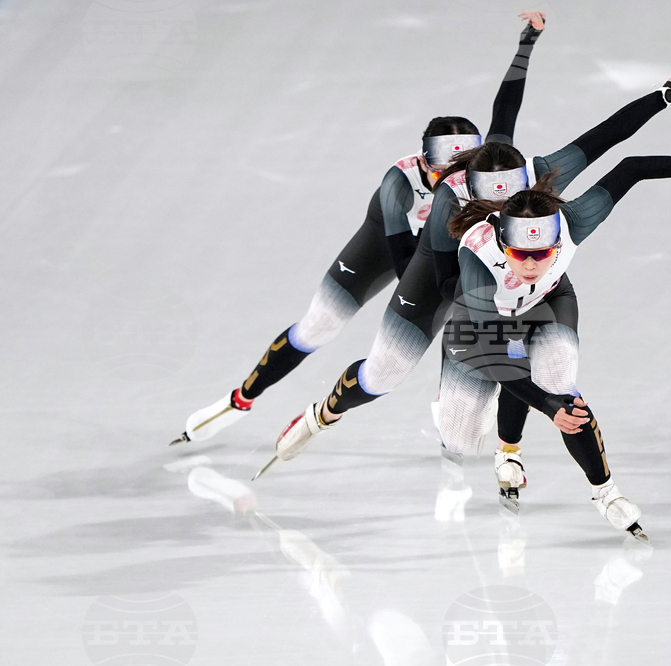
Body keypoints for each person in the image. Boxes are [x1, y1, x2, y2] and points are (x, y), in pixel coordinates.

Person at [260, 69, 671, 498]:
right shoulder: (449, 200)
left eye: (508, 198)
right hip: (441, 282)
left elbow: (605, 137)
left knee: (488, 408)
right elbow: (445, 282)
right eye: (486, 199)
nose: (498, 208)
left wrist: (665, 94)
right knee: (384, 374)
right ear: (466, 187)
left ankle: (508, 443)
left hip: (510, 272)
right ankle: (320, 416)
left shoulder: (538, 175)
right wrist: (491, 320)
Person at [169, 11, 547, 447]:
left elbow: (506, 106)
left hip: (444, 253)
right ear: (426, 165)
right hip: (389, 252)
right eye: (449, 173)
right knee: (319, 327)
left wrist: (526, 43)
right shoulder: (398, 187)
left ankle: (455, 415)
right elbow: (411, 268)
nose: (463, 183)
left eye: (470, 170)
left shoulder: (479, 173)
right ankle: (238, 400)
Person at [434, 154, 671, 539]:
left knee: (558, 380)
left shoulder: (574, 222)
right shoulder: (478, 256)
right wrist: (548, 409)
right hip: (487, 316)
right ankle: (508, 450)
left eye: (543, 253)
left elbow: (633, 167)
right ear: (501, 241)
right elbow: (493, 354)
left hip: (548, 301)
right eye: (520, 254)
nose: (531, 265)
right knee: (466, 425)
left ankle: (606, 492)